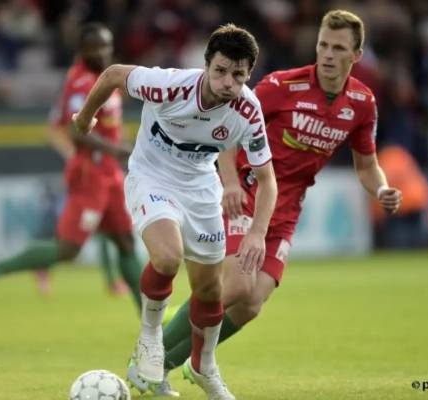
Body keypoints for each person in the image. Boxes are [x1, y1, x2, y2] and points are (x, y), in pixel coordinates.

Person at [127, 9, 403, 397]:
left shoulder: (362, 102)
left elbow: (367, 166)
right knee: (235, 287)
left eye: (338, 48)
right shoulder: (281, 85)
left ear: (356, 55)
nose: (327, 54)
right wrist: (229, 182)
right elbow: (224, 122)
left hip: (287, 207)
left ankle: (185, 363)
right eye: (323, 44)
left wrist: (382, 189)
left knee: (252, 303)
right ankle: (150, 361)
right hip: (248, 192)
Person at [72, 24, 278, 400]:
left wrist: (257, 233)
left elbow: (267, 179)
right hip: (152, 177)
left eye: (238, 75)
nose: (228, 82)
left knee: (210, 291)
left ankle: (205, 366)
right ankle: (150, 338)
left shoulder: (248, 110)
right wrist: (86, 117)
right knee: (167, 257)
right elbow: (113, 74)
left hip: (201, 189)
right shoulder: (171, 85)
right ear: (206, 65)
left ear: (248, 74)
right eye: (220, 71)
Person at [0, 23, 148, 316]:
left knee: (126, 243)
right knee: (67, 249)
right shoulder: (80, 82)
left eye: (106, 46)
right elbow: (75, 130)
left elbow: (107, 124)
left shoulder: (104, 77)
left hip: (109, 173)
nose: (102, 52)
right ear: (82, 50)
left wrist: (117, 147)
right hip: (90, 173)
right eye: (95, 48)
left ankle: (152, 317)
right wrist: (117, 149)